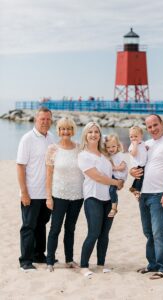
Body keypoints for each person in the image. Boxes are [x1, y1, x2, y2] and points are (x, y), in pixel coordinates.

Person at [130, 114, 163, 280]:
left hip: (159, 194)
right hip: (144, 194)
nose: (152, 129)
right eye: (149, 127)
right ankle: (152, 264)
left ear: (162, 124)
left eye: (155, 125)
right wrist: (131, 172)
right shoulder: (147, 144)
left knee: (159, 232)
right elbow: (137, 162)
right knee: (148, 232)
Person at [78, 122, 123, 277]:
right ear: (85, 135)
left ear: (100, 135)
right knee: (94, 232)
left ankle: (101, 264)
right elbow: (97, 177)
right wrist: (116, 182)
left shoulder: (105, 154)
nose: (93, 134)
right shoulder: (83, 155)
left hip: (109, 199)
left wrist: (120, 181)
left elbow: (115, 170)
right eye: (90, 132)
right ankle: (84, 265)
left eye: (96, 131)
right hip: (93, 198)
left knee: (105, 233)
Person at [17, 107, 55, 271]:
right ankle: (25, 260)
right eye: (42, 119)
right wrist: (24, 192)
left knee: (42, 224)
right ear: (35, 120)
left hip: (47, 193)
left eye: (48, 119)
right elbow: (20, 167)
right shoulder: (27, 139)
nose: (45, 122)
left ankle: (39, 255)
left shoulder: (52, 138)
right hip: (31, 192)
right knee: (28, 226)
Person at [45, 117, 84, 272]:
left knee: (70, 228)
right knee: (55, 228)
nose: (65, 131)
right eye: (62, 129)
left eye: (68, 128)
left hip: (77, 195)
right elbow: (48, 175)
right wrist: (48, 197)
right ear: (58, 131)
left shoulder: (80, 148)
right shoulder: (52, 149)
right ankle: (50, 261)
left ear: (73, 130)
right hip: (58, 194)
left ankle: (69, 259)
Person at [103, 134, 128, 217]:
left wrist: (114, 168)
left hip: (119, 176)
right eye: (108, 147)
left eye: (113, 146)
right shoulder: (110, 155)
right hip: (114, 176)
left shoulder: (120, 155)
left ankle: (114, 208)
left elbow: (123, 166)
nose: (111, 149)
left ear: (117, 145)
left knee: (112, 190)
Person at [128, 126, 148, 200]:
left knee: (140, 178)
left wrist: (147, 148)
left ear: (141, 136)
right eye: (131, 137)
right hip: (136, 165)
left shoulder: (143, 143)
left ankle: (133, 188)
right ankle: (137, 191)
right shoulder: (132, 146)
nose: (133, 138)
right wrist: (135, 145)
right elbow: (133, 154)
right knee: (140, 177)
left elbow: (144, 150)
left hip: (142, 164)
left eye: (136, 136)